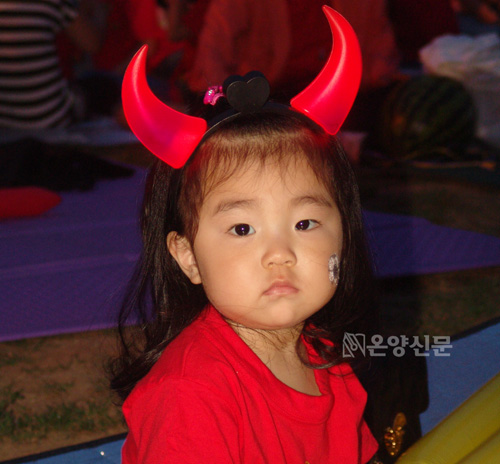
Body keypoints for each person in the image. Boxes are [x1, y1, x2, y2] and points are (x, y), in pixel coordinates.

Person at [112, 7, 378, 463]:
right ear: (188, 257)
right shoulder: (190, 394)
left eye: (305, 224)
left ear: (344, 234)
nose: (280, 253)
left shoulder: (326, 356)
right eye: (242, 229)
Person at [0, 0, 100, 129]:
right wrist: (99, 11)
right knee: (99, 86)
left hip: (4, 122)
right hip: (51, 118)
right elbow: (92, 44)